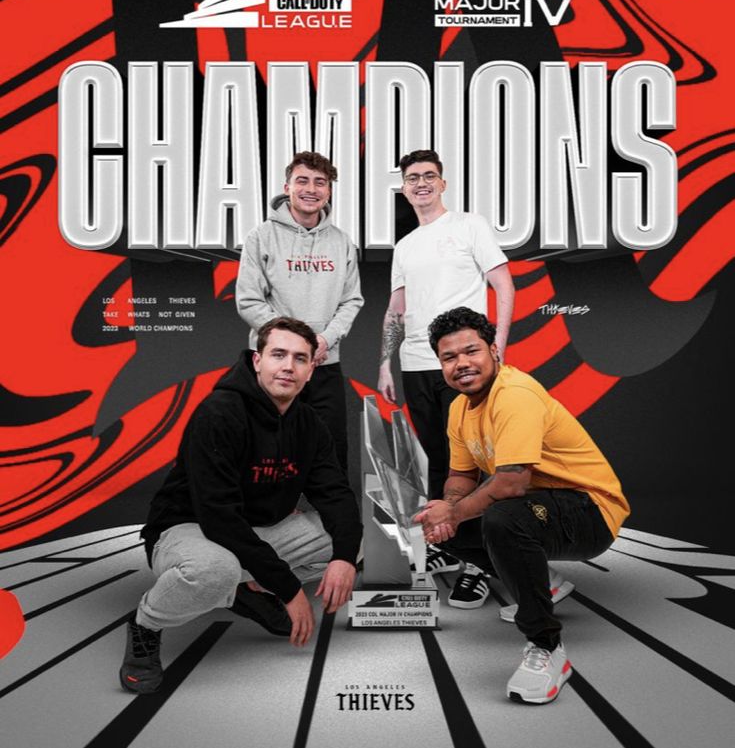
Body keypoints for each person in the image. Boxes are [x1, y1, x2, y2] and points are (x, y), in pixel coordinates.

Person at [120, 317, 362, 695]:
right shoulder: (220, 413)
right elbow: (218, 517)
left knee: (347, 541)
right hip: (188, 528)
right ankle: (146, 626)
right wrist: (288, 589)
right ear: (256, 361)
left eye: (300, 358)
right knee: (216, 568)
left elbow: (336, 494)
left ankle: (246, 587)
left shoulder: (310, 424)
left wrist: (345, 558)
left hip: (255, 531)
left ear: (311, 370)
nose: (288, 366)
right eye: (278, 354)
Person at [414, 307, 629, 704]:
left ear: (494, 351)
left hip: (590, 510)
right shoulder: (460, 408)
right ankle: (542, 582)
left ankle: (547, 648)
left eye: (471, 351)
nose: (461, 364)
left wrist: (455, 512)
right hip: (542, 507)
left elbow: (512, 483)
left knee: (501, 517)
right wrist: (446, 512)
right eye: (449, 357)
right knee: (439, 525)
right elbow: (461, 478)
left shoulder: (514, 394)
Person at [377, 149, 515, 575]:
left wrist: (498, 346)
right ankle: (457, 550)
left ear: (443, 183)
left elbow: (504, 286)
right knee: (438, 460)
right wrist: (385, 362)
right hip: (416, 363)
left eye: (429, 176)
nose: (421, 183)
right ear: (403, 188)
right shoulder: (404, 246)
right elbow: (396, 309)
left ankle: (486, 559)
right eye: (413, 178)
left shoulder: (468, 225)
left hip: (461, 365)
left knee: (476, 461)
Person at [236, 152, 363, 472]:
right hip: (274, 366)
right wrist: (295, 346)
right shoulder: (261, 237)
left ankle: (331, 521)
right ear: (287, 187)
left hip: (325, 362)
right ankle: (268, 518)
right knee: (267, 453)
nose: (311, 189)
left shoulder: (342, 242)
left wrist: (324, 340)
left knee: (331, 452)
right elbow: (249, 301)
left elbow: (352, 300)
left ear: (329, 191)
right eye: (302, 180)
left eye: (320, 182)